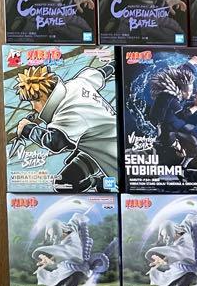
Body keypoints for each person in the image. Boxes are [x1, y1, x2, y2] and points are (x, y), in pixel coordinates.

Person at [8, 60, 116, 192]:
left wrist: (28, 129)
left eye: (33, 102)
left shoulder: (67, 112)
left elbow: (55, 143)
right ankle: (98, 182)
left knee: (64, 185)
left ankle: (102, 183)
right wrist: (114, 64)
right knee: (63, 183)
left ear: (41, 96)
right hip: (94, 146)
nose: (34, 107)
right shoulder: (77, 83)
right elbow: (103, 72)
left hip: (111, 153)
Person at [31, 209, 111, 286]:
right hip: (66, 266)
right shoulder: (69, 229)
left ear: (60, 230)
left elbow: (65, 251)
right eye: (52, 236)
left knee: (72, 281)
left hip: (78, 267)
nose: (54, 238)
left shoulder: (72, 243)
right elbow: (74, 222)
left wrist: (51, 258)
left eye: (55, 235)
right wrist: (79, 217)